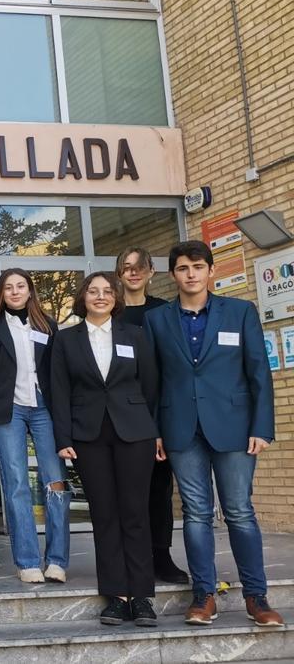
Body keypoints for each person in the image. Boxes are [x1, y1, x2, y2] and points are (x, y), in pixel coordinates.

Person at [144, 241, 283, 628]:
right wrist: (155, 430)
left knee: (239, 511)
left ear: (211, 271)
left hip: (236, 428)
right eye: (183, 268)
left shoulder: (240, 312)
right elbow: (152, 382)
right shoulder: (157, 320)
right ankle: (204, 596)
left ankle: (257, 597)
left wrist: (262, 427)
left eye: (198, 266)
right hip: (180, 428)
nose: (191, 274)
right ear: (173, 274)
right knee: (195, 513)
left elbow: (259, 373)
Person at [52, 272, 160, 627]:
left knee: (135, 512)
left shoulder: (135, 334)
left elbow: (151, 385)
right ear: (83, 297)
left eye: (107, 292)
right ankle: (117, 595)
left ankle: (142, 596)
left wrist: (155, 432)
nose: (101, 297)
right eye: (93, 291)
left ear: (116, 298)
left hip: (135, 432)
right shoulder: (66, 339)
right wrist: (63, 439)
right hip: (88, 434)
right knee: (104, 513)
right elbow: (60, 391)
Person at [0, 269, 68, 585]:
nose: (15, 292)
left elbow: (59, 373)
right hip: (9, 411)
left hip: (45, 409)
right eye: (9, 287)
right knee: (16, 485)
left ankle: (57, 560)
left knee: (55, 482)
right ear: (1, 293)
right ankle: (27, 561)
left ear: (30, 291)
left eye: (21, 286)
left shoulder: (48, 325)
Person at [117, 246, 187, 585]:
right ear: (119, 273)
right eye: (126, 267)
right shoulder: (110, 313)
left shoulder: (164, 312)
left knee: (160, 488)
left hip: (158, 411)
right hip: (119, 414)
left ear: (151, 271)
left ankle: (162, 555)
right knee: (128, 491)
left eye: (139, 267)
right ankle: (135, 556)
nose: (132, 272)